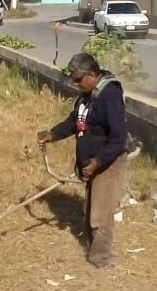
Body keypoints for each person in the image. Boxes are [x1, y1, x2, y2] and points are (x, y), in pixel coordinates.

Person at [36, 52, 129, 269]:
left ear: (92, 74)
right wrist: (52, 134)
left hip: (109, 161)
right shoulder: (88, 95)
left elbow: (119, 138)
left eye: (79, 80)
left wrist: (97, 161)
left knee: (100, 215)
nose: (76, 84)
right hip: (93, 162)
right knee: (89, 211)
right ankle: (94, 248)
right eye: (73, 80)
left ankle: (101, 260)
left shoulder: (110, 95)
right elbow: (74, 121)